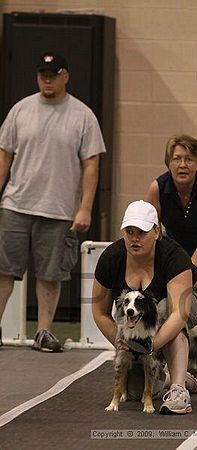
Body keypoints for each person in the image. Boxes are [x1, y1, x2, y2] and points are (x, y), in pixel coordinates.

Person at [0, 51, 106, 352]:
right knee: (3, 269)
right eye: (43, 75)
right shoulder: (20, 111)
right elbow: (4, 156)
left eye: (53, 75)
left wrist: (84, 207)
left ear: (65, 76)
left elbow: (91, 166)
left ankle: (43, 331)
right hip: (15, 204)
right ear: (37, 77)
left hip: (58, 209)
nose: (47, 80)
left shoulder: (83, 116)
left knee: (50, 274)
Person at [92, 200, 197, 415]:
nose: (135, 238)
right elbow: (100, 312)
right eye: (130, 232)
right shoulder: (111, 258)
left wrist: (151, 345)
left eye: (142, 232)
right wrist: (126, 345)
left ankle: (178, 390)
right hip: (146, 319)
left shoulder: (174, 257)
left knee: (165, 312)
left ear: (156, 231)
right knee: (136, 393)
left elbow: (179, 313)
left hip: (192, 297)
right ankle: (175, 374)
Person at [147, 134, 197, 373]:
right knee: (167, 292)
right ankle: (164, 354)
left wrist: (189, 269)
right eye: (177, 159)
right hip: (175, 242)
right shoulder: (157, 188)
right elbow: (152, 229)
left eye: (189, 159)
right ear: (169, 162)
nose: (183, 165)